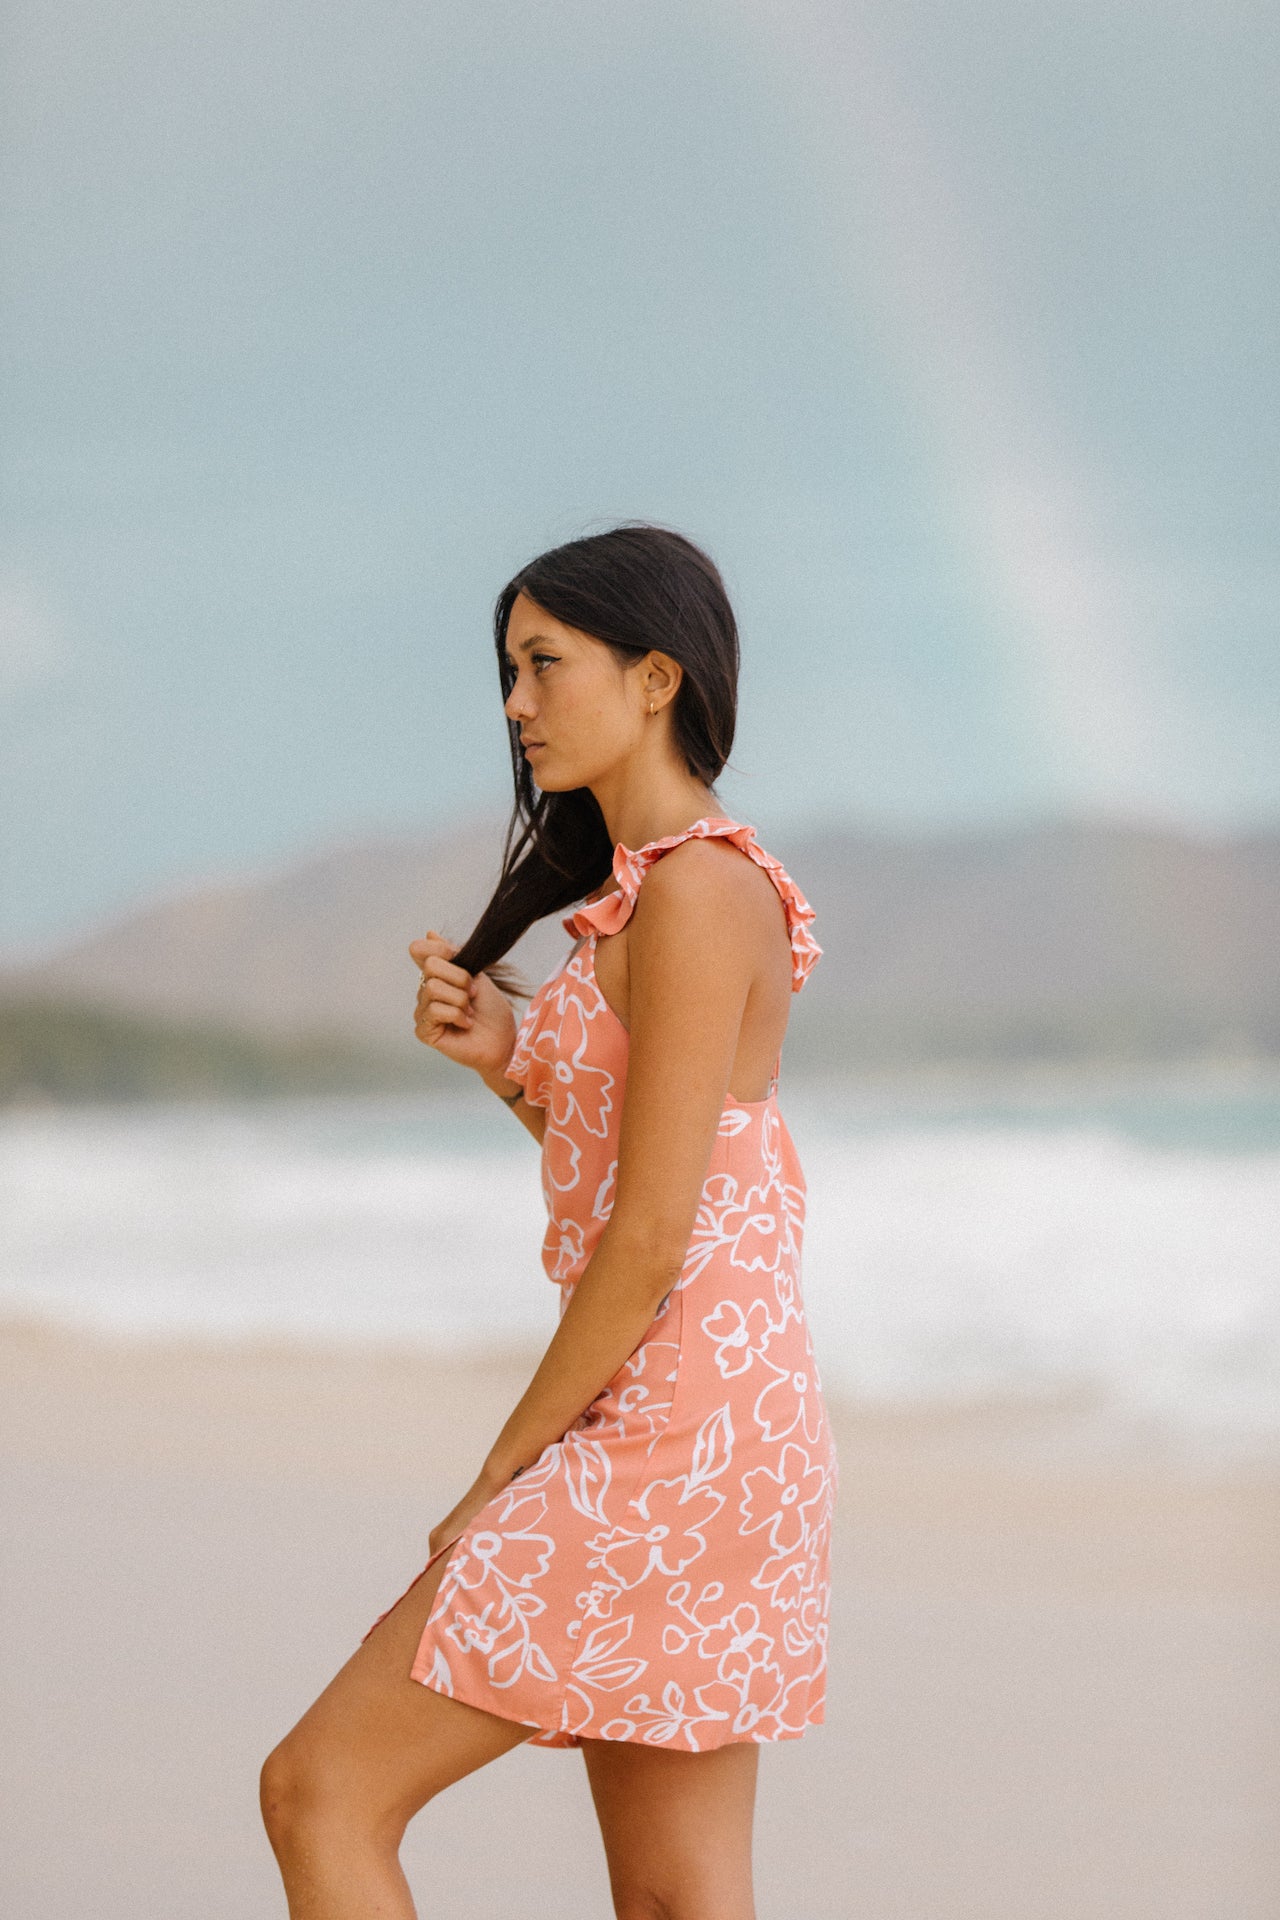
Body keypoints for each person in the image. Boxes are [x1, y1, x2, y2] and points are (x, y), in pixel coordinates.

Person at [260, 523, 838, 1919]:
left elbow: (648, 1244)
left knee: (321, 1792)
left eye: (542, 663)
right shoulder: (642, 899)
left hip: (671, 1433)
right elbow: (644, 1178)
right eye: (508, 671)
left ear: (655, 677)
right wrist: (511, 1064)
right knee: (676, 1896)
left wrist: (498, 1476)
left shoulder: (698, 891)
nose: (514, 703)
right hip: (714, 1428)